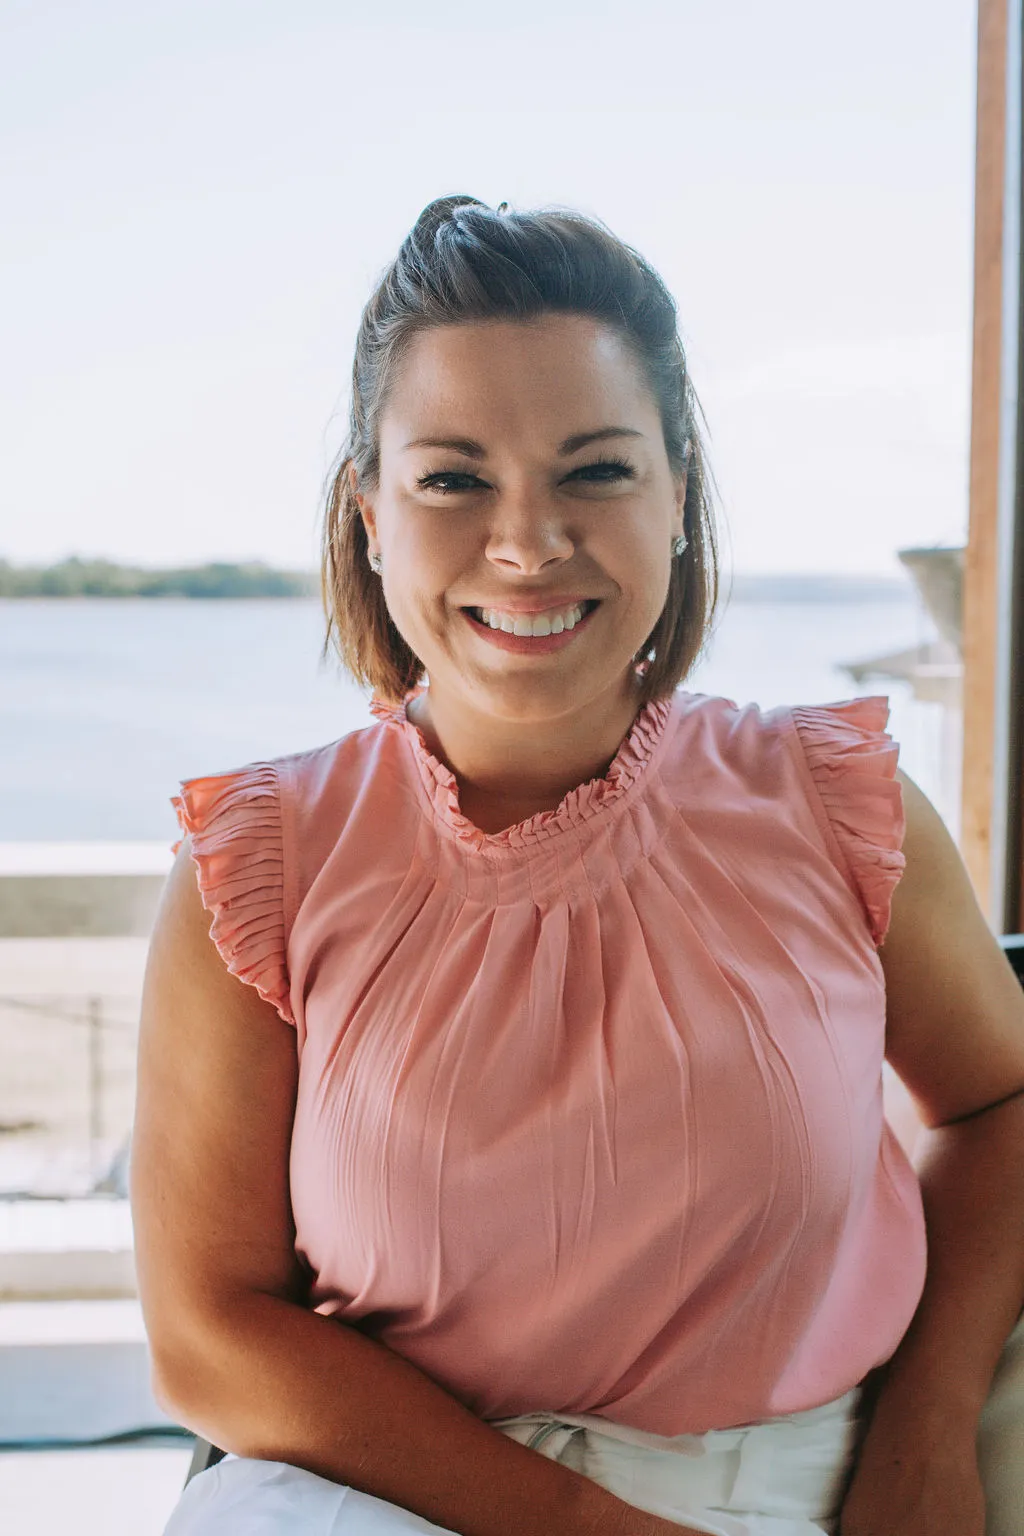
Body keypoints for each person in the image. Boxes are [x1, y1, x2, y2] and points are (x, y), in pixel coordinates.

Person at [132, 196, 1024, 1536]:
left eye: (596, 471)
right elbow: (208, 1336)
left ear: (678, 498)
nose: (528, 543)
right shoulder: (260, 865)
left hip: (798, 1493)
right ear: (369, 514)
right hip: (388, 1502)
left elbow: (1002, 1107)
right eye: (453, 480)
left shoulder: (835, 802)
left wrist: (931, 1431)